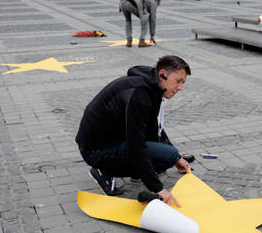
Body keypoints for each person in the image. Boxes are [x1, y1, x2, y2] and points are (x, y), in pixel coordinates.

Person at [77, 56, 192, 203]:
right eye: (178, 81)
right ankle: (104, 170)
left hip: (110, 138)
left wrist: (178, 157)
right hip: (95, 150)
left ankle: (135, 170)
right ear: (163, 74)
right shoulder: (140, 94)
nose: (180, 88)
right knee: (167, 155)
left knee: (170, 154)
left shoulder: (151, 86)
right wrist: (158, 188)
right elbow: (136, 144)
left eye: (183, 83)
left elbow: (154, 128)